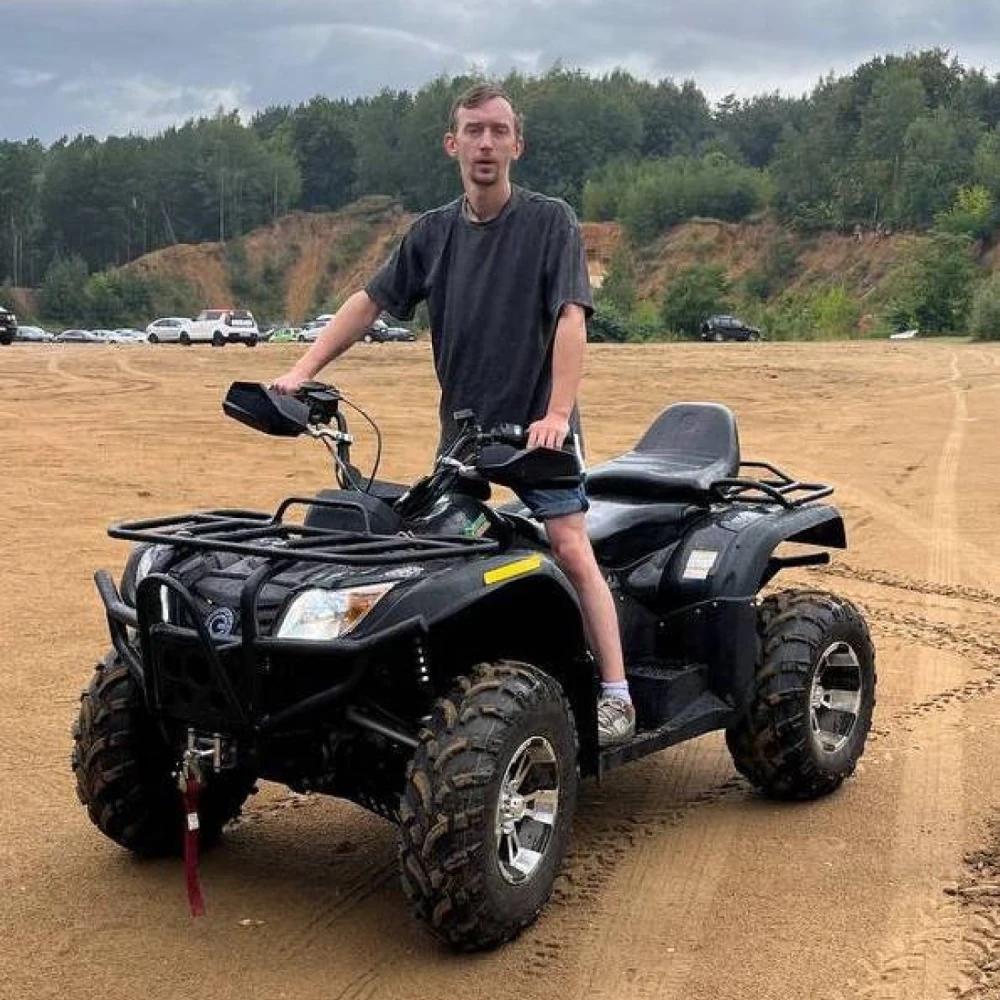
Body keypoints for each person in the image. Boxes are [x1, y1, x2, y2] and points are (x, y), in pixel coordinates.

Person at [271, 82, 635, 746]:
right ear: (452, 144)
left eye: (498, 131)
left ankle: (615, 690)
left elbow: (570, 318)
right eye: (474, 131)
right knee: (432, 549)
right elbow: (369, 303)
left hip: (537, 435)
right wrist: (302, 372)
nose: (486, 143)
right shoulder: (432, 233)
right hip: (465, 438)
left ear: (517, 144)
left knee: (569, 546)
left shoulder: (549, 221)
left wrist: (557, 413)